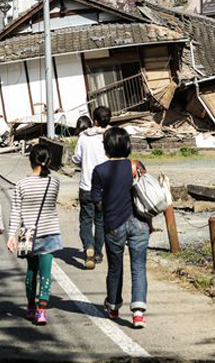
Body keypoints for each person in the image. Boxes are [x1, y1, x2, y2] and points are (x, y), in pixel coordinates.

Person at [91, 127, 150, 329]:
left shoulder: (99, 171)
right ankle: (138, 312)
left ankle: (114, 305)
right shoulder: (136, 166)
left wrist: (109, 205)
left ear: (106, 147)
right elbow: (145, 197)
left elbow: (96, 201)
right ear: (127, 146)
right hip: (139, 223)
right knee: (139, 267)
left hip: (114, 224)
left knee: (115, 267)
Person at [7, 144, 62, 325]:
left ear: (31, 160)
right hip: (49, 232)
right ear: (48, 161)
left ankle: (30, 307)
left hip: (27, 234)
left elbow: (16, 211)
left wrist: (11, 236)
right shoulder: (54, 183)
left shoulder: (21, 184)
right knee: (46, 273)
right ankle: (41, 311)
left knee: (31, 271)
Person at [72, 106, 111, 269]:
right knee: (101, 222)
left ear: (94, 121)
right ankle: (98, 253)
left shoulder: (83, 137)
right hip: (105, 188)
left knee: (86, 221)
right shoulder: (111, 137)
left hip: (87, 186)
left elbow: (76, 158)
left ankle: (88, 247)